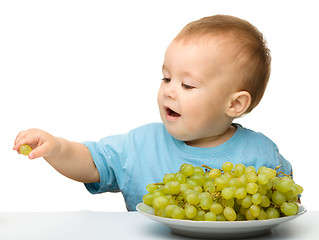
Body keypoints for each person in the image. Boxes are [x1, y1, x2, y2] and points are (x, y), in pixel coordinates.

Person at [13, 15, 292, 211]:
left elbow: (282, 205)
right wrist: (57, 148)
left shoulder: (262, 155)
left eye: (187, 84)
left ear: (235, 105)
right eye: (166, 78)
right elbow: (92, 163)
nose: (170, 91)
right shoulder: (140, 145)